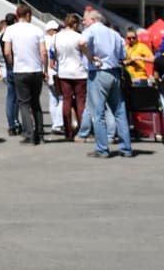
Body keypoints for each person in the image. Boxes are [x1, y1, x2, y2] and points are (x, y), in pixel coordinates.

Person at [81, 8, 133, 158]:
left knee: (98, 113)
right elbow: (123, 55)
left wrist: (90, 57)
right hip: (114, 72)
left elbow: (81, 42)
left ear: (93, 20)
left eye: (85, 20)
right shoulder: (115, 34)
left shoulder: (92, 31)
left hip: (98, 72)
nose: (84, 22)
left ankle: (102, 149)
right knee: (119, 112)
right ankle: (126, 148)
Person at [3, 4, 47, 145]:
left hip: (20, 70)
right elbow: (43, 52)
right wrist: (44, 69)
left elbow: (7, 51)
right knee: (36, 103)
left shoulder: (10, 30)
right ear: (28, 15)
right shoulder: (37, 30)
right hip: (36, 70)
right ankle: (40, 134)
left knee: (23, 103)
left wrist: (11, 63)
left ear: (17, 15)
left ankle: (29, 134)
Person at [52, 13, 88, 141]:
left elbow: (54, 55)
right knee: (80, 101)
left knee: (66, 101)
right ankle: (82, 131)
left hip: (64, 72)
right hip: (79, 72)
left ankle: (68, 131)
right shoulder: (79, 37)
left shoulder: (56, 37)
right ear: (75, 24)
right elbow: (85, 54)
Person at [0, 16, 21, 136]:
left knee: (11, 98)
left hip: (5, 69)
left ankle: (12, 124)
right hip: (13, 67)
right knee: (17, 98)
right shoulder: (10, 36)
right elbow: (8, 52)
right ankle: (15, 122)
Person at [44, 20, 64, 134]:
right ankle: (59, 124)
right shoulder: (54, 40)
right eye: (56, 30)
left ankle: (55, 123)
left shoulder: (43, 40)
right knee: (61, 98)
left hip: (47, 73)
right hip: (56, 72)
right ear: (50, 30)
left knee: (52, 99)